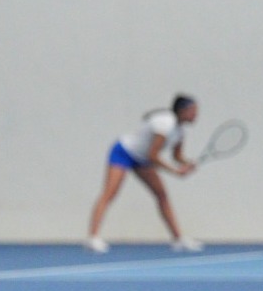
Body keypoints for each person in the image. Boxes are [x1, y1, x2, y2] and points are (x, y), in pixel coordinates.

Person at [85, 94, 203, 253]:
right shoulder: (165, 124)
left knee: (161, 195)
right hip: (124, 152)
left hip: (142, 159)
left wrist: (188, 163)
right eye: (193, 110)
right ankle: (93, 238)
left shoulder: (180, 132)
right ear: (183, 111)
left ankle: (178, 239)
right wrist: (175, 172)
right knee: (109, 193)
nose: (196, 114)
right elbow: (152, 155)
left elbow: (177, 156)